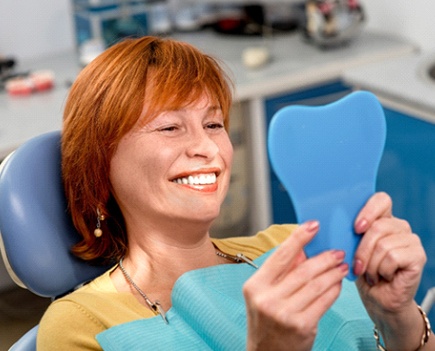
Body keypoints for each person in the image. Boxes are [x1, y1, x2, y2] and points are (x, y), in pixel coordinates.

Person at [37, 36, 433, 350]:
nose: (208, 149)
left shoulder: (291, 247)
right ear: (99, 162)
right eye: (170, 128)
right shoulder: (83, 325)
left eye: (213, 125)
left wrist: (398, 321)